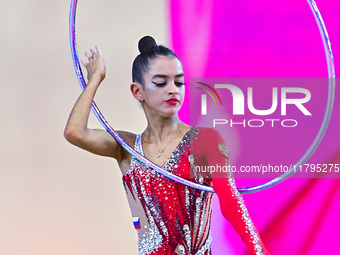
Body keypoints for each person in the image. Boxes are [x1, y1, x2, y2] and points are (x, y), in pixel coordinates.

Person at [64, 36, 270, 255]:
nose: (173, 90)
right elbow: (74, 132)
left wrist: (260, 251)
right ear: (137, 91)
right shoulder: (127, 148)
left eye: (179, 82)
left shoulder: (205, 140)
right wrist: (95, 79)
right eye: (161, 82)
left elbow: (230, 201)